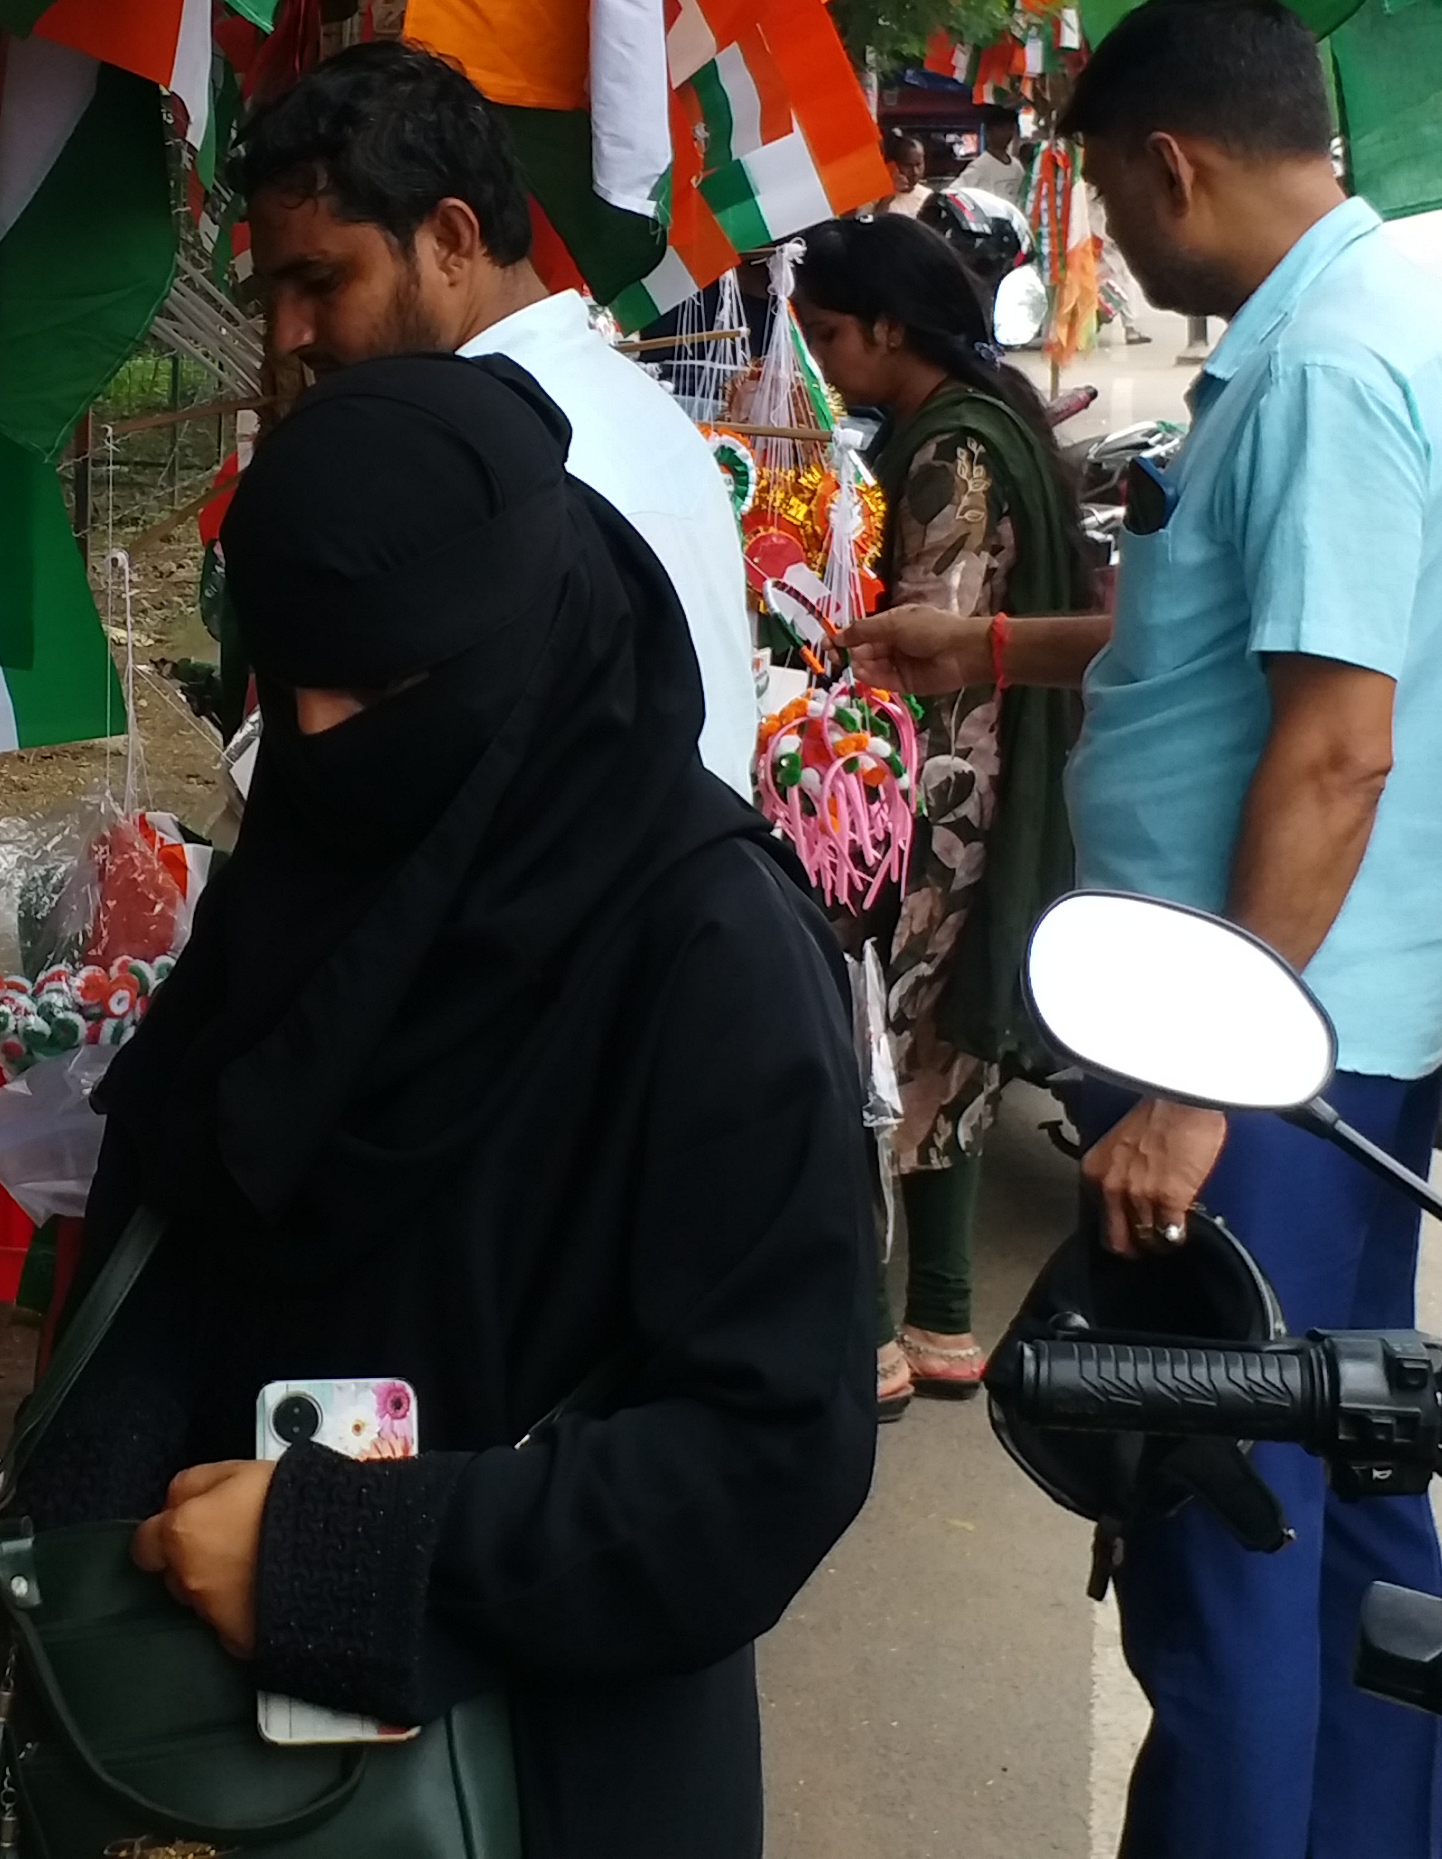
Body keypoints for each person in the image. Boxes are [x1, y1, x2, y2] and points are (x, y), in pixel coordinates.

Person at [848, 0, 1442, 1859]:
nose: (1120, 251)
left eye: (1108, 197)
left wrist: (1200, 1083)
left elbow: (1330, 752)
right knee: (1347, 1505)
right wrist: (988, 644)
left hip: (1265, 1060)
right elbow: (1237, 650)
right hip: (1342, 1040)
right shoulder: (1405, 328)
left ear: (1167, 163)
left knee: (1221, 1535)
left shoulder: (1318, 371)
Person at [62, 355, 880, 1859]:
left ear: (524, 633)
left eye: (377, 689)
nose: (321, 737)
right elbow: (188, 1225)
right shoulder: (316, 872)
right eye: (289, 685)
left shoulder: (709, 951)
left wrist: (345, 1557)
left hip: (545, 1782)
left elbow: (766, 1455)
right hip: (216, 1762)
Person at [237, 41, 753, 793]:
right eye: (273, 296)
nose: (289, 334)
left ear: (450, 240)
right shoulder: (606, 404)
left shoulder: (508, 475)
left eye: (320, 281)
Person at [788, 213, 1086, 1414]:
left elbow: (932, 638)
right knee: (944, 1049)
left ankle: (870, 1334)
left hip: (938, 790)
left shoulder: (946, 454)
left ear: (887, 330)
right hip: (990, 773)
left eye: (826, 338)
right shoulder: (993, 418)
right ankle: (946, 1320)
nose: (821, 363)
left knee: (871, 1039)